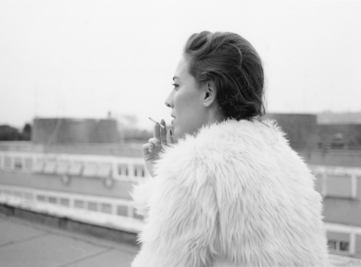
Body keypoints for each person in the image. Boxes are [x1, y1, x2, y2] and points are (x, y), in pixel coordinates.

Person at [131, 31, 329, 267]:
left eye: (176, 85)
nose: (168, 100)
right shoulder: (290, 164)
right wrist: (161, 176)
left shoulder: (194, 171)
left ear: (208, 92)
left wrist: (173, 177)